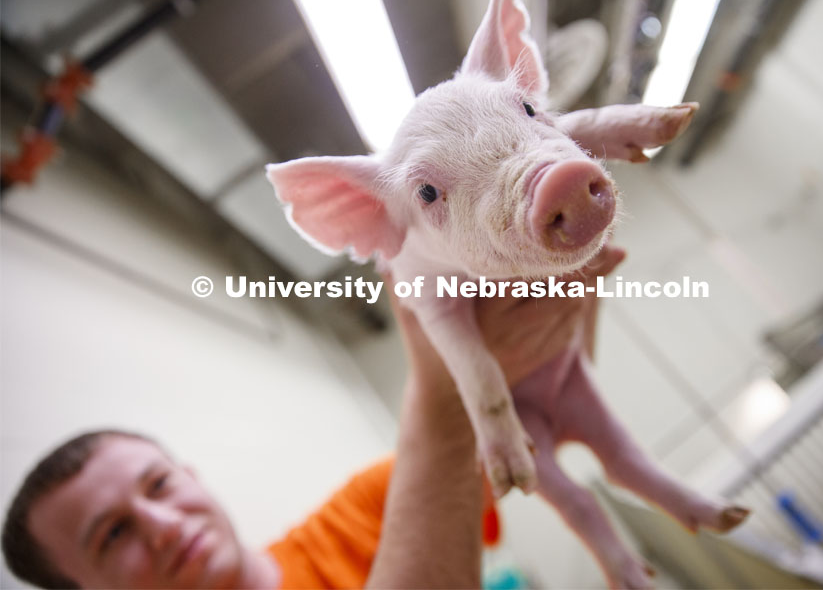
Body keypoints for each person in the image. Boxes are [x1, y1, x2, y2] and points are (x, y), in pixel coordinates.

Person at [2, 247, 626, 589]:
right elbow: (446, 426)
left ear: (189, 476)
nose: (162, 525)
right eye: (112, 535)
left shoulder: (368, 507)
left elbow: (535, 420)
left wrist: (555, 291)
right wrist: (439, 395)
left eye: (159, 485)